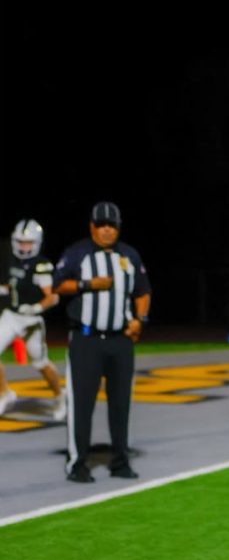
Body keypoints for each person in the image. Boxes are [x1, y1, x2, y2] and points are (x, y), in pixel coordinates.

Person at [53, 201, 152, 482]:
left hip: (120, 340)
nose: (107, 231)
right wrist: (87, 284)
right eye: (102, 226)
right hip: (87, 340)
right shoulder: (78, 253)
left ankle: (120, 461)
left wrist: (140, 320)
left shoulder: (129, 255)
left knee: (121, 404)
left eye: (112, 226)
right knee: (82, 405)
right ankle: (77, 463)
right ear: (92, 227)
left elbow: (143, 292)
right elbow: (57, 284)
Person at [0, 219, 66, 420]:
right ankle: (5, 393)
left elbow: (52, 297)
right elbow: (13, 286)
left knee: (40, 363)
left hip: (32, 320)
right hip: (12, 315)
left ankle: (60, 397)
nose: (23, 246)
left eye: (28, 242)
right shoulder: (12, 260)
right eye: (20, 241)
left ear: (37, 242)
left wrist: (36, 307)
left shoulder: (41, 265)